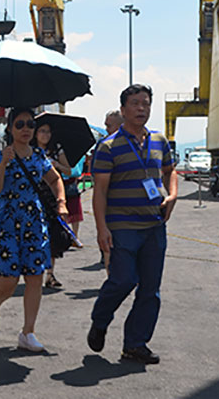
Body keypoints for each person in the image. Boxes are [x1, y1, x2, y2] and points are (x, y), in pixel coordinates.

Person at [87, 84, 178, 364]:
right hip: (122, 227)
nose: (142, 109)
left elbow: (169, 172)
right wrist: (101, 229)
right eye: (136, 103)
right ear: (123, 109)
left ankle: (135, 344)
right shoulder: (108, 146)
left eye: (146, 104)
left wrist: (172, 196)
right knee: (123, 280)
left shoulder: (159, 141)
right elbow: (99, 191)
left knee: (150, 289)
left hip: (154, 225)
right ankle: (100, 319)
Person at [0, 107, 67, 352]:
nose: (26, 129)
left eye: (30, 124)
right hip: (7, 219)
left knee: (35, 276)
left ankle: (28, 332)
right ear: (9, 128)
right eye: (20, 124)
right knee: (8, 279)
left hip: (33, 219)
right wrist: (4, 164)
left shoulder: (39, 156)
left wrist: (61, 202)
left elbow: (54, 179)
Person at [30, 122, 72, 288]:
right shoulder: (30, 150)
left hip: (52, 196)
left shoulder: (56, 149)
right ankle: (35, 269)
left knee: (52, 235)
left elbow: (68, 170)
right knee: (36, 234)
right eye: (41, 131)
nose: (45, 135)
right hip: (35, 195)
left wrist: (56, 165)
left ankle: (50, 274)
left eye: (48, 131)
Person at [91, 109, 124, 264]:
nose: (106, 130)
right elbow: (94, 174)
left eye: (109, 126)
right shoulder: (102, 145)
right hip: (108, 200)